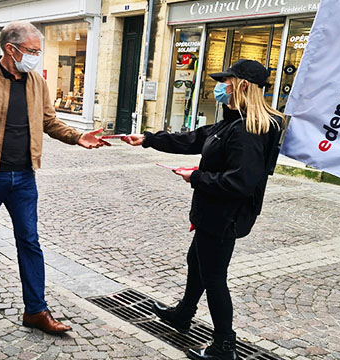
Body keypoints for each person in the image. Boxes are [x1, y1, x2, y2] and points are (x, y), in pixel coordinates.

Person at [0, 21, 109, 335]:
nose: (36, 57)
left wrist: (77, 137)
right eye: (32, 51)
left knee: (30, 242)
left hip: (24, 177)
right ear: (11, 49)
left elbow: (49, 121)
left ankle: (36, 310)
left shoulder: (35, 81)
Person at [122, 59, 285, 360]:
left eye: (225, 81)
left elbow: (241, 182)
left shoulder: (248, 130)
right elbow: (195, 138)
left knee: (213, 277)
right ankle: (183, 314)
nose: (219, 87)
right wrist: (148, 139)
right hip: (212, 212)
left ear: (242, 86)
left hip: (225, 217)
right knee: (196, 261)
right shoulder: (232, 120)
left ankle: (224, 345)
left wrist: (195, 176)